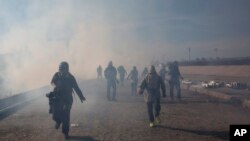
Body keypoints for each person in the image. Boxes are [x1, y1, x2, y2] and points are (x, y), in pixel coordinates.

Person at [50, 61, 86, 139]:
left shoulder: (71, 77)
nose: (61, 70)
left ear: (67, 69)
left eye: (63, 69)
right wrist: (56, 85)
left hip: (67, 99)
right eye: (60, 69)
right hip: (57, 97)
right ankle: (58, 121)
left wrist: (81, 97)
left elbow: (76, 88)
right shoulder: (56, 75)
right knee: (55, 115)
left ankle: (66, 133)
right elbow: (52, 82)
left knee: (66, 116)